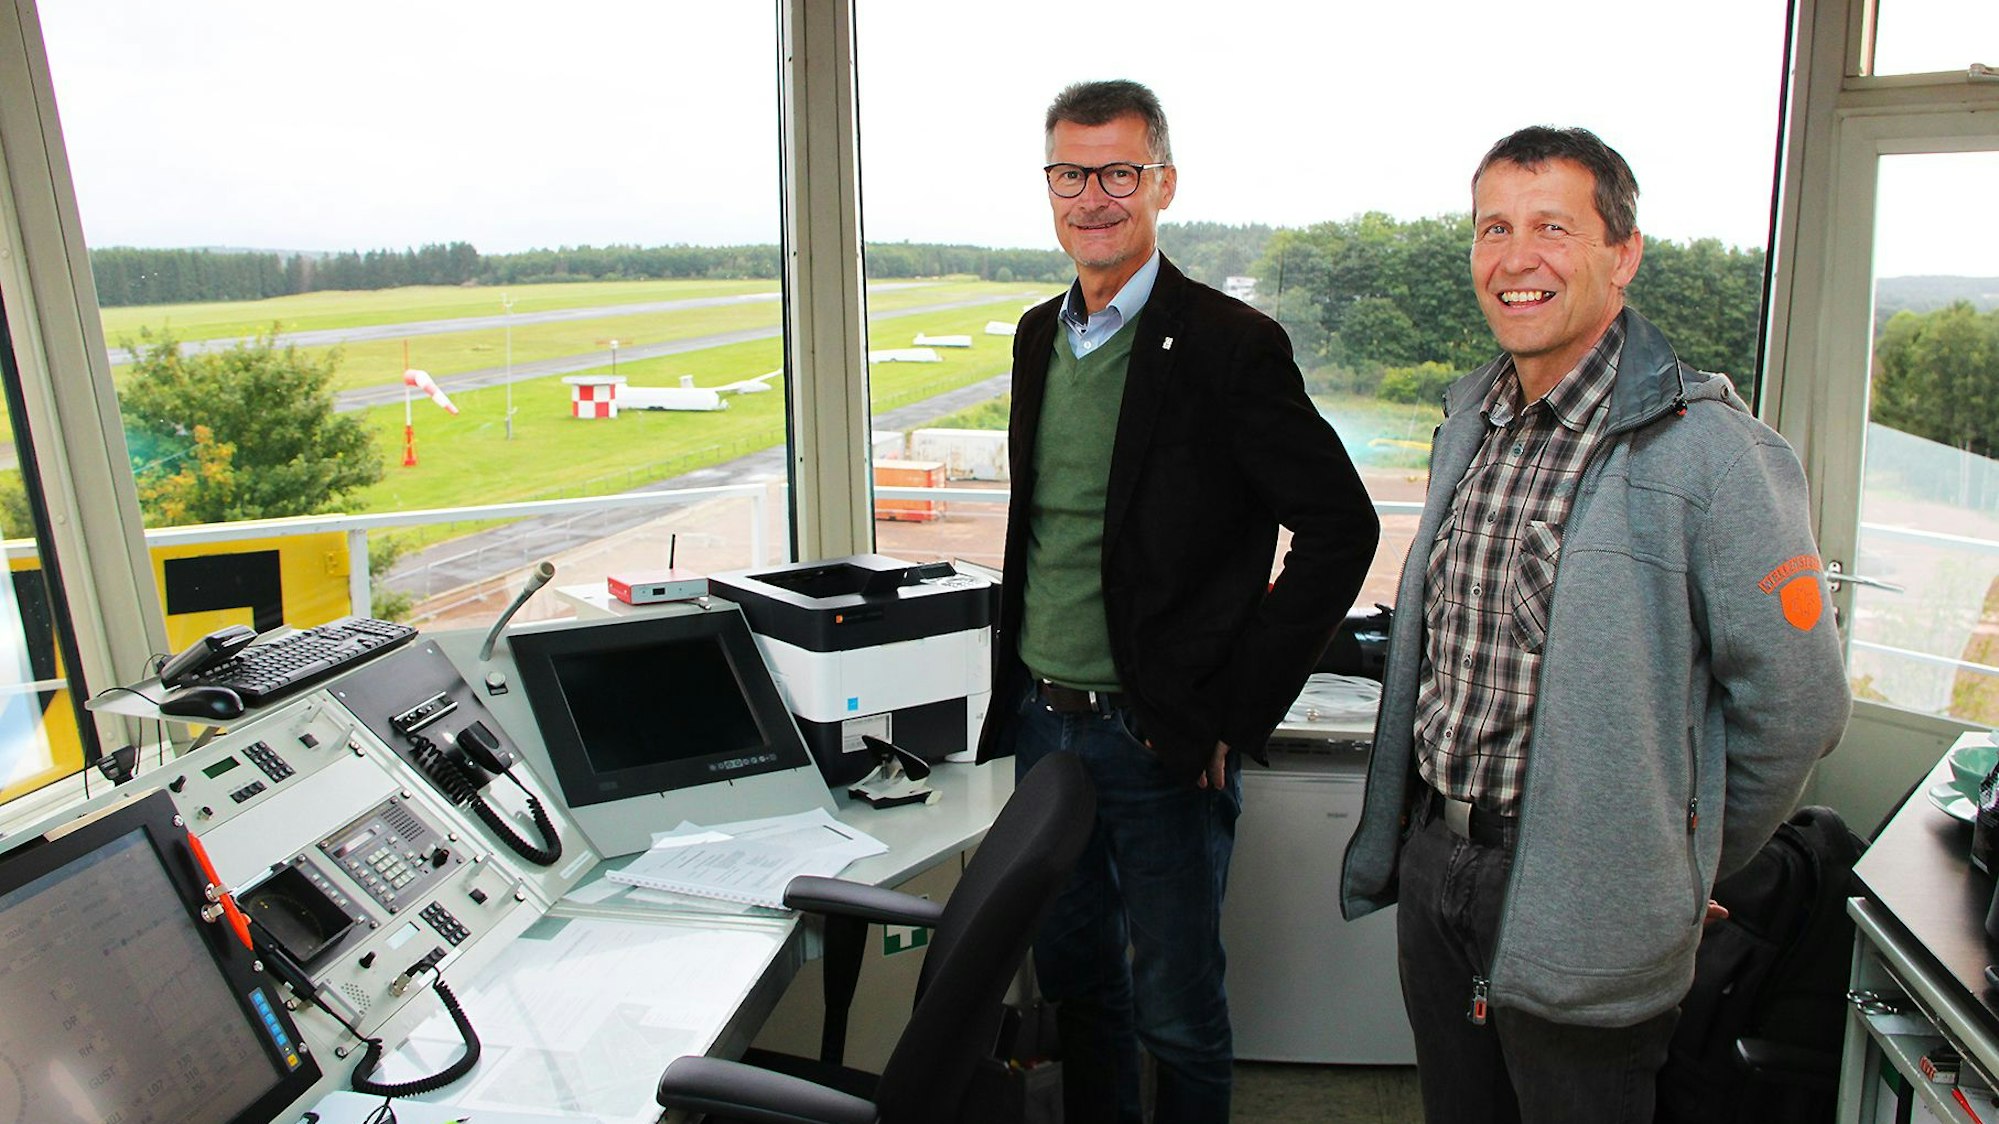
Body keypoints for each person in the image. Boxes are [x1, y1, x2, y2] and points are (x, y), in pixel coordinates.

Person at [1339, 125, 1851, 1124]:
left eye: (1551, 227)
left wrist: (1672, 858)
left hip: (1591, 896)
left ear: (1622, 255)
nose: (1514, 257)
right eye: (1493, 227)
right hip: (1440, 863)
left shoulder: (1715, 456)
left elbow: (1797, 705)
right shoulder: (1470, 426)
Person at [976, 79, 1378, 1123]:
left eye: (1118, 171)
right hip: (1042, 725)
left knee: (1178, 1011)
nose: (1093, 196)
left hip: (1159, 740)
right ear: (1049, 185)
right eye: (1070, 172)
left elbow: (1342, 527)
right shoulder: (1035, 337)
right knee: (1077, 987)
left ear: (1163, 182)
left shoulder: (1227, 346)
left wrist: (1234, 705)